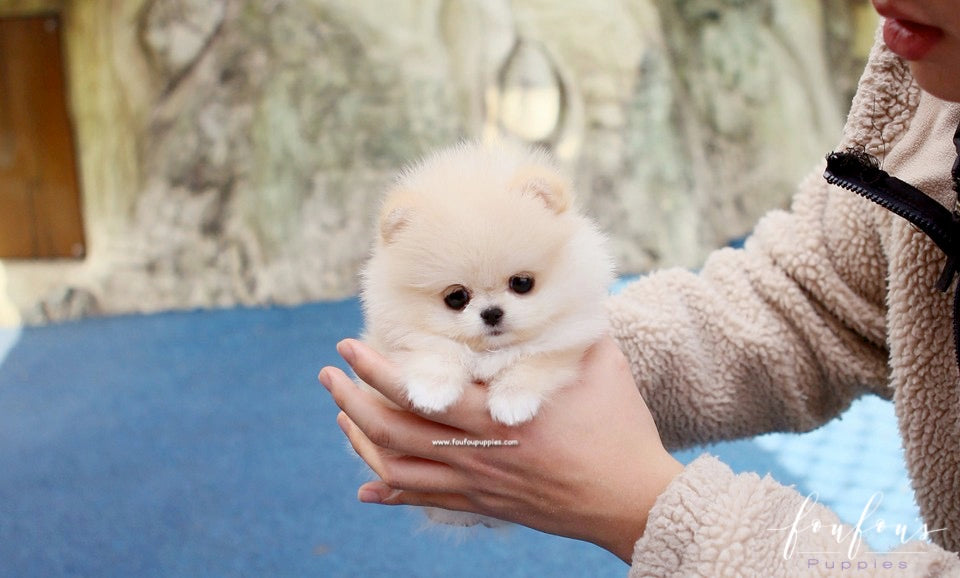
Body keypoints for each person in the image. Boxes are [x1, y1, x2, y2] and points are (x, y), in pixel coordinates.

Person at [319, 0, 960, 574]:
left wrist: (645, 507)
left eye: (518, 283)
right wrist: (561, 382)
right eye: (457, 298)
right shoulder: (925, 89)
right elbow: (810, 300)